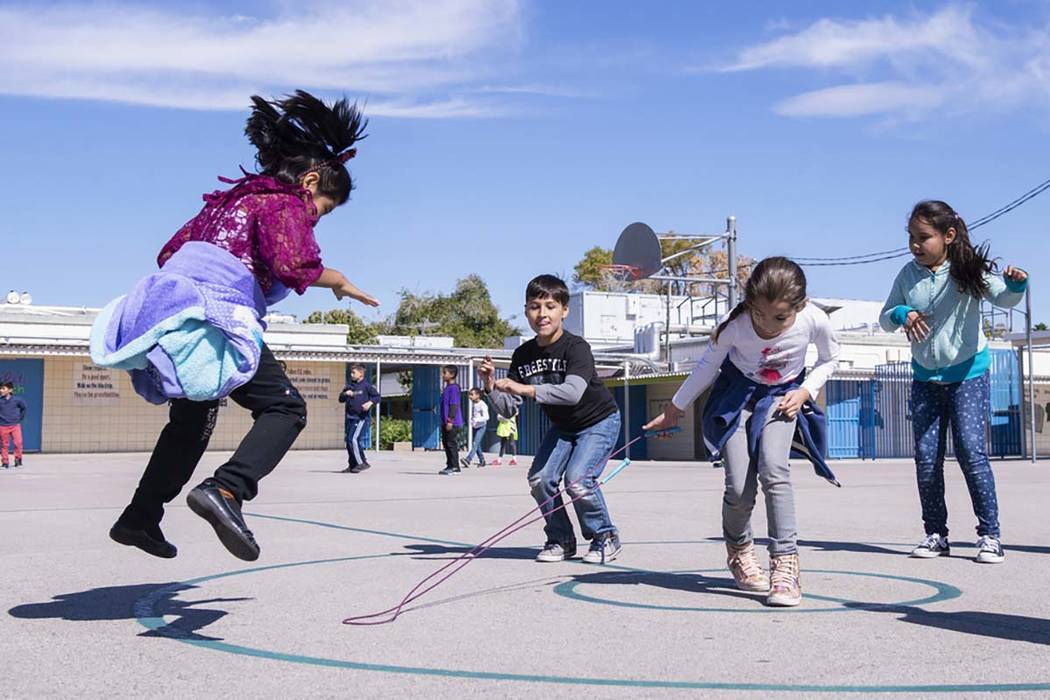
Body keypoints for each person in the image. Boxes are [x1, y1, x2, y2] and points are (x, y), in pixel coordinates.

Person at [108, 90, 379, 561]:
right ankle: (229, 490)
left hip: (181, 313)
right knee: (286, 408)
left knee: (191, 421)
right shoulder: (284, 202)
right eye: (325, 208)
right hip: (219, 317)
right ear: (311, 180)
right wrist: (340, 282)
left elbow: (170, 251)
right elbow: (295, 263)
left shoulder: (231, 200)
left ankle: (141, 514)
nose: (317, 216)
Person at [645, 257, 840, 606]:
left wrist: (806, 391)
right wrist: (675, 408)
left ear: (800, 305)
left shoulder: (814, 319)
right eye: (759, 315)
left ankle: (785, 564)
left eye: (779, 318)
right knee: (738, 486)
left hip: (783, 396)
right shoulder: (733, 326)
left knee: (775, 470)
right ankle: (739, 550)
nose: (766, 325)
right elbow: (707, 367)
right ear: (749, 303)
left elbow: (829, 358)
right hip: (737, 397)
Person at [880, 200, 1028, 565]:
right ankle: (936, 534)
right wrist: (903, 312)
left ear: (948, 236)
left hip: (968, 374)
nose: (915, 244)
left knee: (970, 452)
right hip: (925, 377)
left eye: (923, 237)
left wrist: (1016, 284)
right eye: (911, 237)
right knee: (927, 459)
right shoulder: (907, 275)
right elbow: (886, 318)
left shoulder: (967, 269)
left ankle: (990, 536)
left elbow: (1004, 297)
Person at [479, 274, 623, 564]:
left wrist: (526, 388)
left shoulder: (576, 347)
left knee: (578, 481)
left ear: (564, 310)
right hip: (564, 427)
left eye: (549, 306)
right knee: (540, 479)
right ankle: (561, 540)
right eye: (534, 306)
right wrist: (490, 386)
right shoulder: (523, 354)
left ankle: (604, 536)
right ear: (526, 312)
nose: (542, 314)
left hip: (599, 421)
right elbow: (508, 409)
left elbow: (572, 393)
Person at [339, 363, 380, 474]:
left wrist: (370, 403)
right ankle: (352, 465)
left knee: (353, 440)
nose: (352, 375)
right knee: (348, 442)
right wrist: (345, 394)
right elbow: (340, 399)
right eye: (351, 372)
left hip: (360, 418)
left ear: (361, 374)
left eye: (354, 372)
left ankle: (362, 463)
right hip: (350, 418)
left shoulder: (366, 386)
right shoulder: (349, 386)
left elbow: (377, 397)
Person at [438, 366, 464, 475]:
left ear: (452, 375)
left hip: (453, 422)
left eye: (445, 373)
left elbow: (454, 405)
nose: (443, 375)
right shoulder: (447, 388)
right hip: (445, 422)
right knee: (446, 443)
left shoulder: (454, 388)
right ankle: (449, 465)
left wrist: (450, 420)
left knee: (451, 444)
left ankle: (455, 467)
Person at [0, 382, 26, 468]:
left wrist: (19, 419)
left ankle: (18, 460)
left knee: (18, 443)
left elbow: (23, 408)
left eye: (3, 388)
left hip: (15, 425)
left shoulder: (17, 400)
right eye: (1, 389)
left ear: (10, 390)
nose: (1, 390)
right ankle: (5, 462)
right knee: (4, 444)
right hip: (3, 426)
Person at [462, 388, 489, 468]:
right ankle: (482, 460)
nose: (470, 396)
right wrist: (472, 420)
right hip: (476, 427)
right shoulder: (474, 404)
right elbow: (475, 415)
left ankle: (468, 459)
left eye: (472, 394)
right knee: (477, 445)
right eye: (469, 394)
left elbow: (486, 417)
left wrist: (477, 420)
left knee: (475, 443)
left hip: (481, 427)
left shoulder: (482, 405)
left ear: (478, 395)